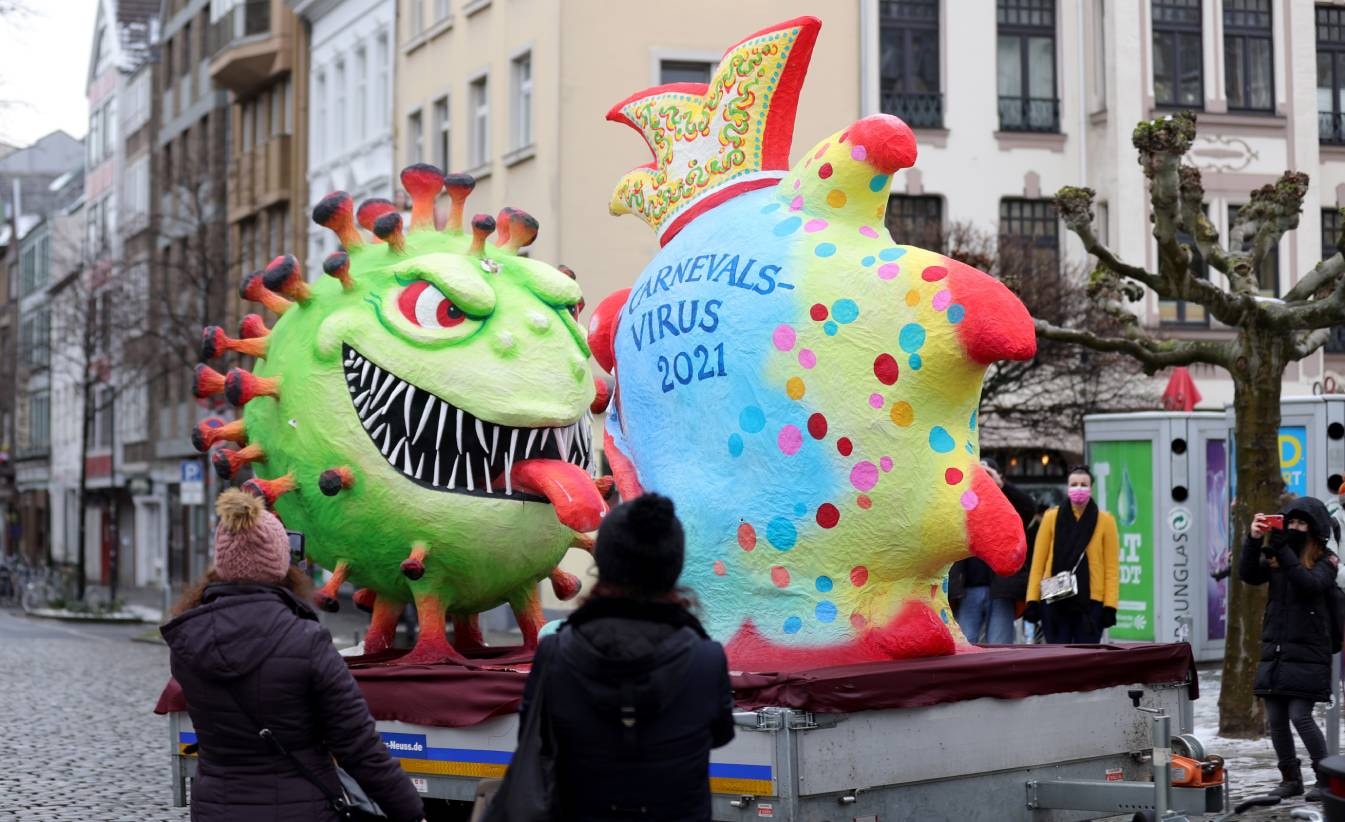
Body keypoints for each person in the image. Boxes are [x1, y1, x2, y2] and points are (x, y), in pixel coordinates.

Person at [161, 489, 425, 822]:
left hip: (216, 808)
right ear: (280, 563)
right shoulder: (306, 641)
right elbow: (358, 747)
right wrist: (411, 812)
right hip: (300, 808)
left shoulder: (187, 641)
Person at [520, 493, 734, 821]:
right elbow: (720, 735)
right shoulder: (707, 658)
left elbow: (533, 742)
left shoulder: (555, 653)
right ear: (673, 567)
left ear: (603, 563)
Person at [1240, 498, 1338, 802]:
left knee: (1301, 715)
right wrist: (1254, 540)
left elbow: (1308, 584)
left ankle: (1326, 779)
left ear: (1314, 528)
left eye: (1301, 523)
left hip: (1309, 651)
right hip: (1277, 648)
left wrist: (1282, 549)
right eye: (1290, 522)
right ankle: (1289, 778)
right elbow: (1248, 574)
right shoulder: (1277, 558)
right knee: (1276, 717)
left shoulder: (1326, 560)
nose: (1294, 528)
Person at [1023, 465, 1120, 643]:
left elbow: (1111, 568)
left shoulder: (1105, 521)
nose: (1079, 488)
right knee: (1058, 658)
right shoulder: (1051, 518)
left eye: (1084, 484)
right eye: (1074, 484)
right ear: (1068, 488)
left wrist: (1110, 605)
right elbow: (1038, 563)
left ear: (1091, 488)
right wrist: (1032, 601)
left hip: (1091, 601)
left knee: (1088, 660)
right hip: (1054, 597)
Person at [950, 458, 1036, 644]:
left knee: (1000, 645)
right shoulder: (963, 503)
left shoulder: (1008, 505)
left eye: (988, 474)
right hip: (968, 589)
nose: (984, 479)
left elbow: (1029, 507)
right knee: (965, 645)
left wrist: (1000, 485)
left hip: (1001, 590)